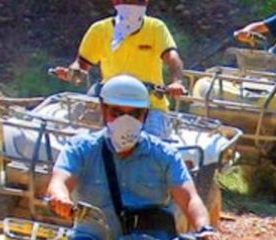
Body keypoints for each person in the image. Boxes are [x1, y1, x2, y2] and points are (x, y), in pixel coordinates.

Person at [46, 75, 223, 240]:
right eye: (117, 113)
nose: (125, 122)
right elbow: (60, 181)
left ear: (145, 115)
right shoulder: (81, 148)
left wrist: (205, 229)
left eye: (134, 114)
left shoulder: (165, 155)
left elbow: (190, 198)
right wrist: (61, 199)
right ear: (103, 110)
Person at [54, 0, 185, 138]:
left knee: (151, 146)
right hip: (110, 103)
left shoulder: (156, 28)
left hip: (150, 105)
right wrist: (73, 73)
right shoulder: (100, 30)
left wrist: (177, 82)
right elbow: (81, 64)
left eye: (138, 1)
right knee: (84, 142)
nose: (132, 6)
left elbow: (172, 58)